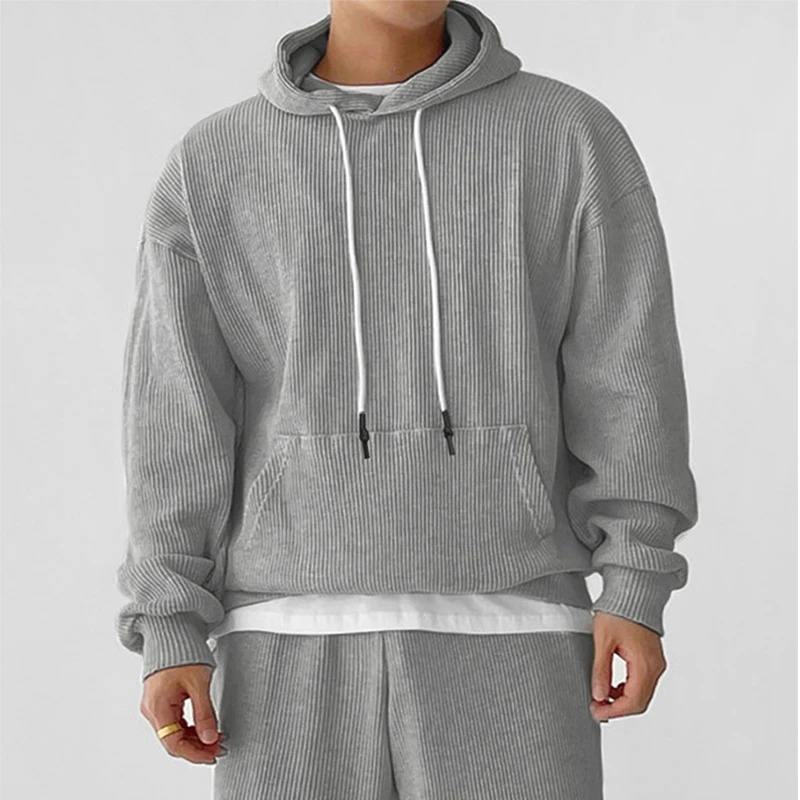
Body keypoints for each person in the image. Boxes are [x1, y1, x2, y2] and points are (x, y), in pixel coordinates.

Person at [115, 1, 699, 797]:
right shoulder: (213, 163)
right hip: (283, 641)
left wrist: (636, 578)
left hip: (518, 629)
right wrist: (169, 623)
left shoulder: (568, 136)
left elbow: (628, 376)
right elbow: (176, 414)